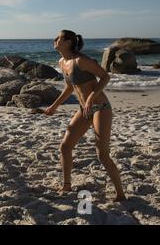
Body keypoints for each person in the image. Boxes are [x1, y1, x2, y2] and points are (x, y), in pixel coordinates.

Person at [45, 30, 126, 202]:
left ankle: (121, 194)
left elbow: (105, 77)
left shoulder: (81, 60)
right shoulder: (62, 62)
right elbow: (69, 87)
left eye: (58, 38)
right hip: (84, 110)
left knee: (102, 155)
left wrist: (91, 97)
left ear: (68, 42)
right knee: (65, 146)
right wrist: (54, 107)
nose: (54, 40)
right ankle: (67, 185)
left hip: (100, 108)